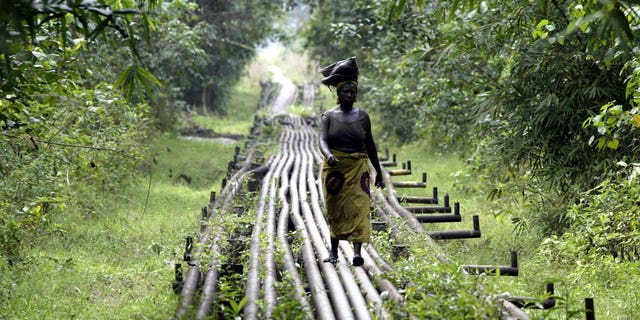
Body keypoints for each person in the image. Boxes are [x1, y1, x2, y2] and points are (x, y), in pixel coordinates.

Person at [318, 57, 384, 267]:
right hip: (335, 168)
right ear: (338, 93)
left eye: (352, 91)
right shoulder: (328, 116)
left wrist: (379, 171)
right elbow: (322, 141)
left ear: (356, 94)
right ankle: (334, 251)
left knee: (359, 206)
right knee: (335, 208)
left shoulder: (363, 117)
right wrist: (328, 155)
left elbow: (370, 145)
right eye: (345, 91)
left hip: (358, 167)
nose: (349, 95)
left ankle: (357, 252)